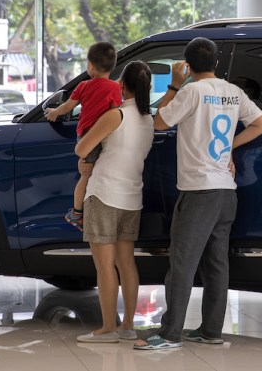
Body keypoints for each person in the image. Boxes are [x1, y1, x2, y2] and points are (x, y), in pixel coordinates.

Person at [134, 37, 262, 350]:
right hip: (226, 191)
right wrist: (228, 148)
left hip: (199, 190)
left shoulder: (191, 91)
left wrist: (173, 86)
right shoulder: (233, 92)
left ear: (187, 64)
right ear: (216, 63)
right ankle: (211, 331)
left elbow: (158, 122)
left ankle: (169, 334)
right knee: (216, 265)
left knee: (182, 263)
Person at [74, 60, 154, 343]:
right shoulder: (149, 119)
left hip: (104, 193)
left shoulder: (116, 115)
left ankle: (108, 328)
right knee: (126, 263)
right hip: (132, 197)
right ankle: (128, 326)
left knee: (105, 265)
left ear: (121, 86)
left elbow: (81, 148)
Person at [44, 41, 122, 230]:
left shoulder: (83, 86)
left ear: (90, 65)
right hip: (99, 136)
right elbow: (115, 111)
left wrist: (54, 113)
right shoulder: (114, 88)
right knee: (88, 173)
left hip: (85, 135)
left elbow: (67, 107)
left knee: (86, 173)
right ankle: (77, 212)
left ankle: (77, 211)